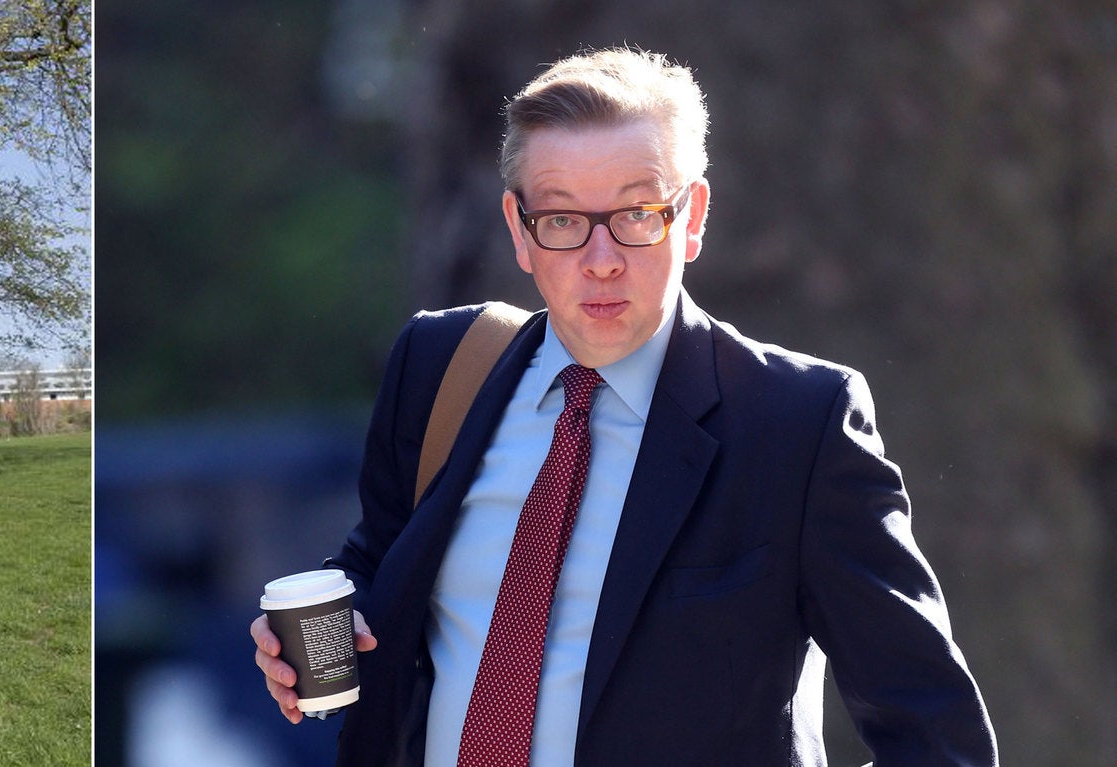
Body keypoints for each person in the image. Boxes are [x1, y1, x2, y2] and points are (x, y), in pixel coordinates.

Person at [248, 48, 997, 766]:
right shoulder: (439, 370)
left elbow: (936, 733)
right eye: (565, 220)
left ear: (692, 215)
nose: (601, 259)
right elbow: (379, 561)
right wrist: (319, 636)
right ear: (519, 229)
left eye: (638, 214)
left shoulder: (797, 423)